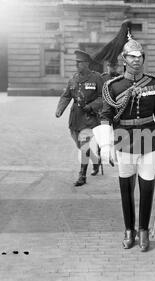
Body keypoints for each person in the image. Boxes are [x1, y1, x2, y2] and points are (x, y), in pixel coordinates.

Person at [93, 31, 155, 252]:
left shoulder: (154, 84)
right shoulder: (113, 87)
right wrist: (107, 145)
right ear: (124, 60)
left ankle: (144, 230)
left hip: (149, 142)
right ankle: (129, 230)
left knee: (147, 187)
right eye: (132, 56)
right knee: (126, 189)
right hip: (124, 142)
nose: (137, 59)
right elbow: (105, 116)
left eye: (140, 56)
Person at [55, 50, 104, 186]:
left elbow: (102, 97)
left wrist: (91, 106)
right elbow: (66, 95)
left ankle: (82, 175)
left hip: (89, 118)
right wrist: (60, 109)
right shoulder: (74, 78)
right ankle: (95, 160)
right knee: (80, 145)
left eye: (79, 63)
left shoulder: (96, 78)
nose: (77, 65)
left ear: (87, 63)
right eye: (76, 63)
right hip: (75, 118)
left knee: (83, 145)